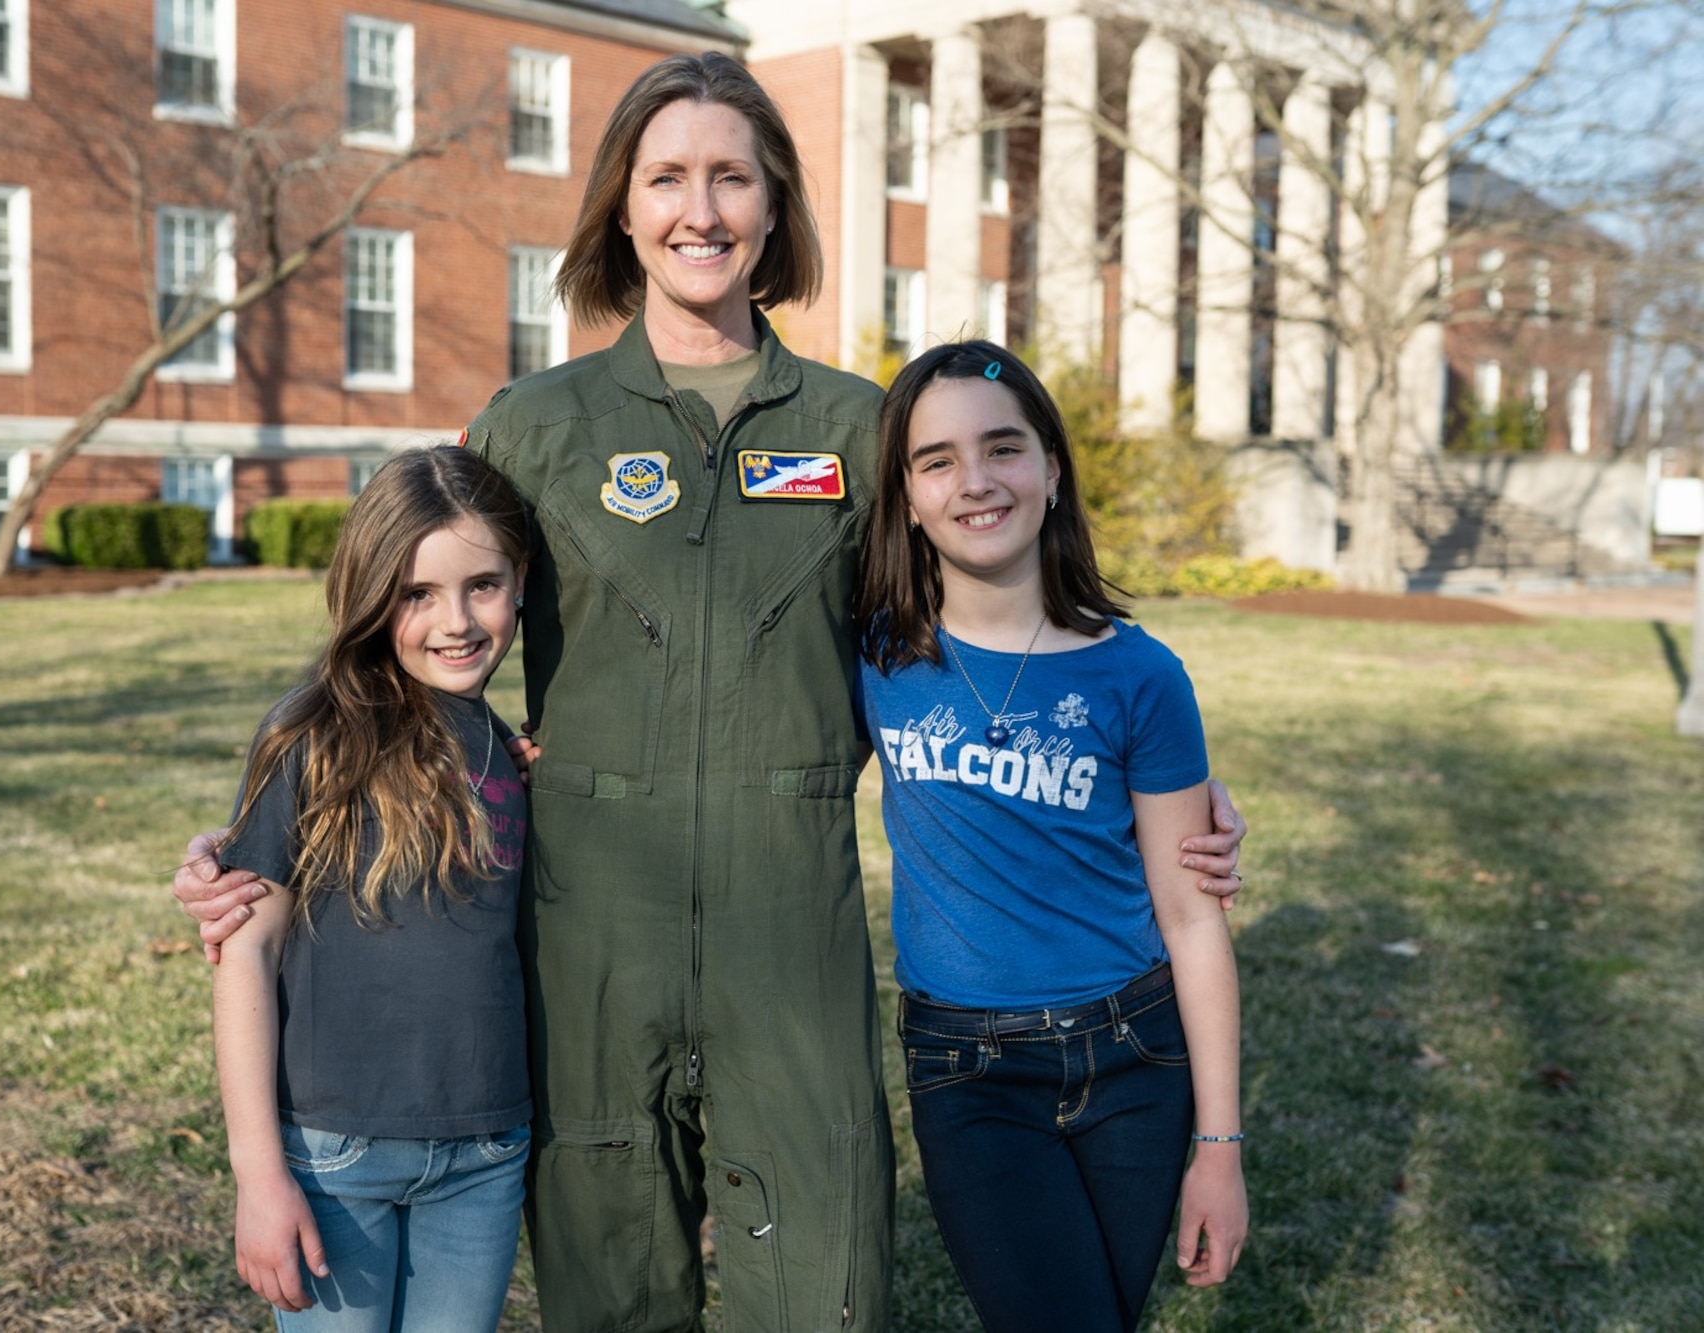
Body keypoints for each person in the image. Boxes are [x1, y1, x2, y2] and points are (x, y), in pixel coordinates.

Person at [178, 53, 1249, 1332]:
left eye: (731, 176)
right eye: (666, 176)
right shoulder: (531, 426)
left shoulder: (861, 430)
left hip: (786, 935)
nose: (701, 208)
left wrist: (1160, 792)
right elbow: (417, 629)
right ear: (620, 210)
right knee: (609, 1285)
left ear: (774, 204)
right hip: (587, 936)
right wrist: (268, 833)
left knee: (820, 1285)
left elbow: (968, 619)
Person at [856, 342, 1247, 1332]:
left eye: (1003, 448)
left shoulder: (1140, 676)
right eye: (936, 459)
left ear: (1052, 467)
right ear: (904, 495)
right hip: (966, 1071)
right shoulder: (871, 649)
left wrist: (1218, 1147)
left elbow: (1193, 921)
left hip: (1132, 1060)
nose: (975, 481)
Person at [210, 446, 534, 1331]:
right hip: (334, 1155)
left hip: (485, 1151)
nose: (457, 620)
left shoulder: (505, 745)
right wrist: (258, 1172)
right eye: (416, 593)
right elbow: (246, 952)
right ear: (367, 593)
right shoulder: (312, 733)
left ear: (521, 582)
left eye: (483, 584)